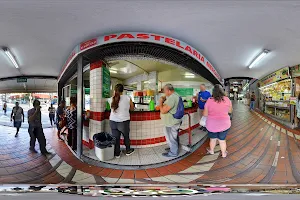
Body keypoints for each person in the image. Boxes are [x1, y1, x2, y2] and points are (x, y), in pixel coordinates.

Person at [203, 84, 232, 158]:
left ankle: (211, 151)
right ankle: (223, 154)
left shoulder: (209, 100)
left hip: (212, 125)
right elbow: (230, 111)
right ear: (222, 91)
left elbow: (205, 114)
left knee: (212, 139)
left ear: (213, 92)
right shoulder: (227, 99)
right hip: (224, 124)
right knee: (222, 140)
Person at [109, 84, 135, 158]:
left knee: (116, 138)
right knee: (126, 136)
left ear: (114, 90)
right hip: (123, 122)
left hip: (113, 122)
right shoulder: (127, 98)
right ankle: (128, 150)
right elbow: (132, 109)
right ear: (123, 90)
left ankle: (117, 153)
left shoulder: (111, 99)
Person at [159, 84, 182, 157]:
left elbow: (163, 111)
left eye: (165, 91)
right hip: (175, 121)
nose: (164, 93)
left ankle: (173, 153)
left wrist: (160, 102)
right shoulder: (176, 95)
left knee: (171, 137)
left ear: (169, 90)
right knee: (174, 136)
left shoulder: (172, 97)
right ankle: (174, 148)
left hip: (171, 122)